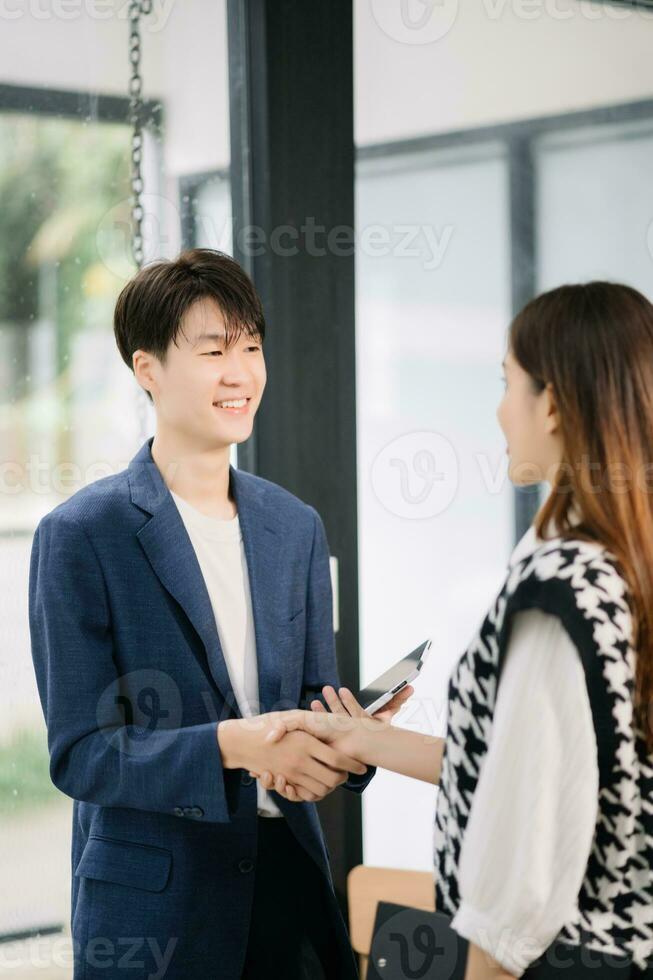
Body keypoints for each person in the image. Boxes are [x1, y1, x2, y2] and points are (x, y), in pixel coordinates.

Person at [27, 248, 410, 980]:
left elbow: (305, 704)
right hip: (159, 914)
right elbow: (83, 754)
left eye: (251, 348)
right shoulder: (83, 534)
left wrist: (346, 744)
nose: (240, 373)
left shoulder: (293, 525)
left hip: (288, 888)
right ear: (148, 370)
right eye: (213, 351)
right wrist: (233, 745)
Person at [256, 282, 653, 979]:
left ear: (553, 404)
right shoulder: (624, 561)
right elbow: (534, 765)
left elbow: (516, 883)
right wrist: (366, 737)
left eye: (506, 384)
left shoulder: (559, 590)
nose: (498, 411)